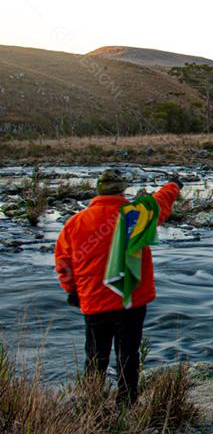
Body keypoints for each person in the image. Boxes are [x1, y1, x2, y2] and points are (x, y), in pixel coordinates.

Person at [54, 169, 182, 405]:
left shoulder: (75, 222)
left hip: (93, 300)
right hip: (130, 300)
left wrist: (71, 290)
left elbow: (63, 262)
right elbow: (160, 202)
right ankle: (127, 403)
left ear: (98, 190)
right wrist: (173, 186)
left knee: (95, 356)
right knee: (129, 354)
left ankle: (91, 404)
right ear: (123, 190)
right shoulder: (136, 215)